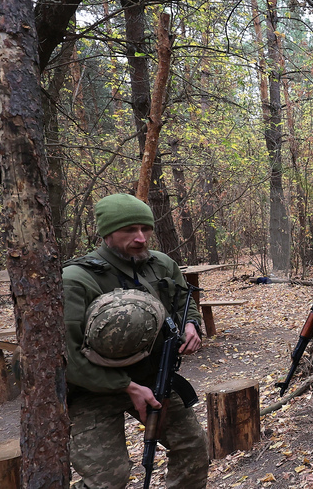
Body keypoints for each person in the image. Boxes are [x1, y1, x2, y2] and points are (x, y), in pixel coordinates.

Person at [63, 193, 208, 488]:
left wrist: (192, 323)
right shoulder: (76, 279)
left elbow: (184, 301)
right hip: (93, 389)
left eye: (146, 229)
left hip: (153, 377)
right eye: (129, 230)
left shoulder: (161, 264)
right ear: (107, 233)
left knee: (193, 449)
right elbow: (70, 359)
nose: (140, 238)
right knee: (108, 478)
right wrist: (126, 387)